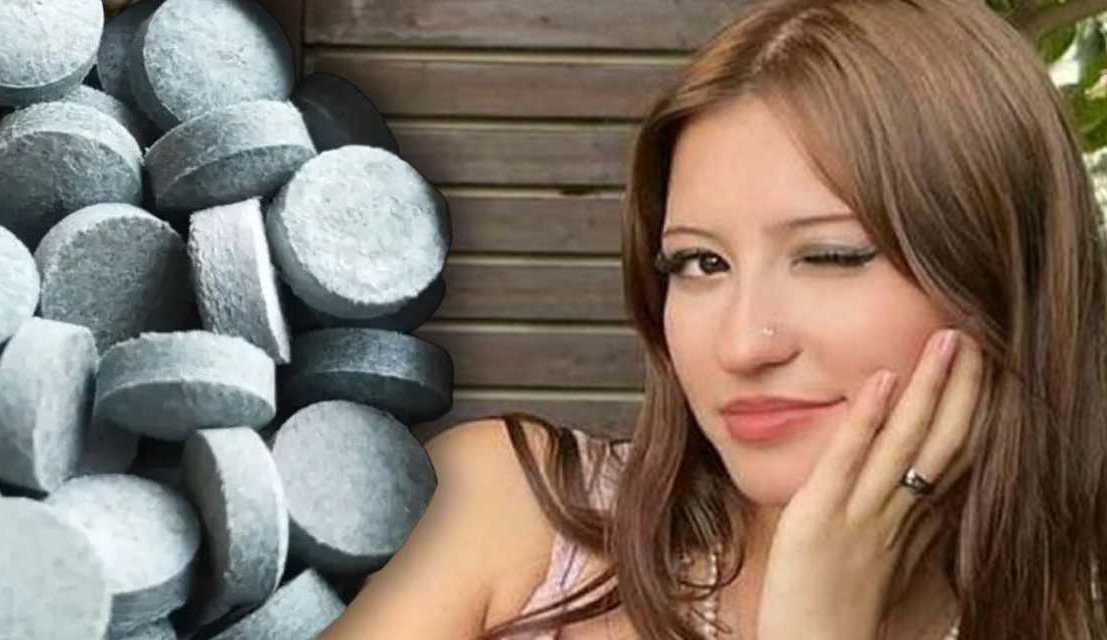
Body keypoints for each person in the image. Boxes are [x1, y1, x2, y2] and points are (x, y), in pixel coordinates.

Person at [322, 0, 1107, 637]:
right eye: (700, 263)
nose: (740, 345)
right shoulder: (505, 509)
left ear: (1001, 278)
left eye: (830, 256)